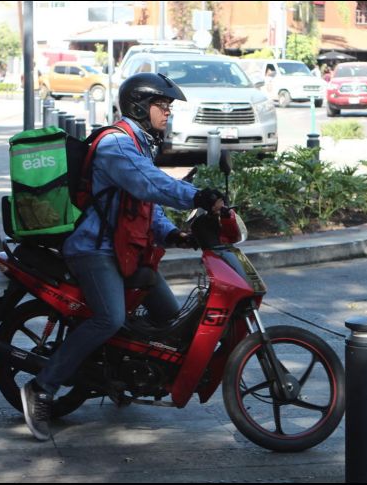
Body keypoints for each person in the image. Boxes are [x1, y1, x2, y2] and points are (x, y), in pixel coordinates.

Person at [20, 72, 225, 441]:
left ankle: (125, 371)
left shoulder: (139, 143)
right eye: (163, 105)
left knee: (169, 315)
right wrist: (196, 196)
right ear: (140, 107)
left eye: (168, 107)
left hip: (124, 251)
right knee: (110, 318)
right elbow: (149, 184)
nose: (168, 113)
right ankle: (41, 387)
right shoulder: (117, 144)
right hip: (93, 250)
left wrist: (173, 234)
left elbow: (143, 204)